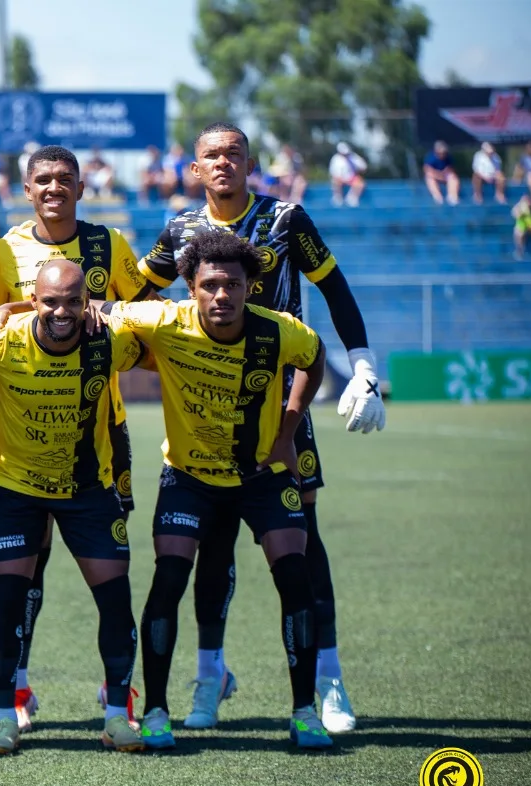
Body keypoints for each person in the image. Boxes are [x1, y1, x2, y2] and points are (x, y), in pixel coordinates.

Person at [139, 121, 385, 735]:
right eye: (210, 156)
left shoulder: (285, 220)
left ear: (250, 164)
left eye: (233, 155)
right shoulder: (180, 230)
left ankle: (326, 678)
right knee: (212, 544)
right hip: (206, 412)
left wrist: (364, 370)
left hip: (283, 405)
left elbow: (334, 288)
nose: (222, 164)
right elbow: (131, 293)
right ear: (194, 169)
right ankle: (209, 672)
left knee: (303, 544)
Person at [123, 228, 332, 750]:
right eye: (211, 285)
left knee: (295, 579)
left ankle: (305, 711)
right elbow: (94, 310)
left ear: (249, 287)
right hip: (189, 480)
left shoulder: (278, 331)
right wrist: (5, 311)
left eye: (233, 285)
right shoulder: (164, 320)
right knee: (168, 580)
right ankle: (154, 711)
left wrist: (288, 429)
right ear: (190, 286)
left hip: (261, 478)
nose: (222, 296)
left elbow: (315, 358)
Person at [0, 144, 151, 731]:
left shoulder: (109, 245)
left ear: (82, 186)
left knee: (109, 576)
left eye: (65, 179)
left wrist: (111, 309)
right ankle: (18, 688)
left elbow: (145, 312)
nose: (54, 188)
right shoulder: (3, 248)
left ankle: (119, 698)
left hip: (99, 434)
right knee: (24, 572)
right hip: (22, 442)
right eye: (43, 180)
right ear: (27, 190)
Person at [0, 259, 145, 755]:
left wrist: (109, 308)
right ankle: (3, 718)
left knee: (115, 599)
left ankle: (116, 716)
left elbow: (157, 324)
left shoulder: (113, 341)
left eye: (74, 302)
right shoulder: (0, 339)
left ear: (88, 303)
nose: (62, 312)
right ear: (34, 301)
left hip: (87, 490)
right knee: (9, 599)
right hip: (15, 488)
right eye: (51, 301)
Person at [328, 142, 366, 207]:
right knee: (335, 181)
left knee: (360, 182)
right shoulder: (335, 159)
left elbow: (363, 166)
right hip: (339, 178)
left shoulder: (353, 156)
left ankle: (352, 198)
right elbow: (334, 173)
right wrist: (341, 179)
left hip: (351, 178)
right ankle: (338, 197)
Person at [423, 141, 460, 206]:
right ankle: (437, 197)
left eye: (444, 153)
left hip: (444, 176)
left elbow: (450, 169)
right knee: (429, 178)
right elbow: (427, 170)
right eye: (440, 153)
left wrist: (445, 173)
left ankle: (452, 196)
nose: (442, 155)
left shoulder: (448, 158)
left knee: (453, 177)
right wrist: (438, 175)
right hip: (434, 176)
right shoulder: (430, 157)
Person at [513, 193, 531, 260]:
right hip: (523, 228)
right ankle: (519, 251)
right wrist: (522, 211)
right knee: (519, 233)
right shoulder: (518, 208)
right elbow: (515, 215)